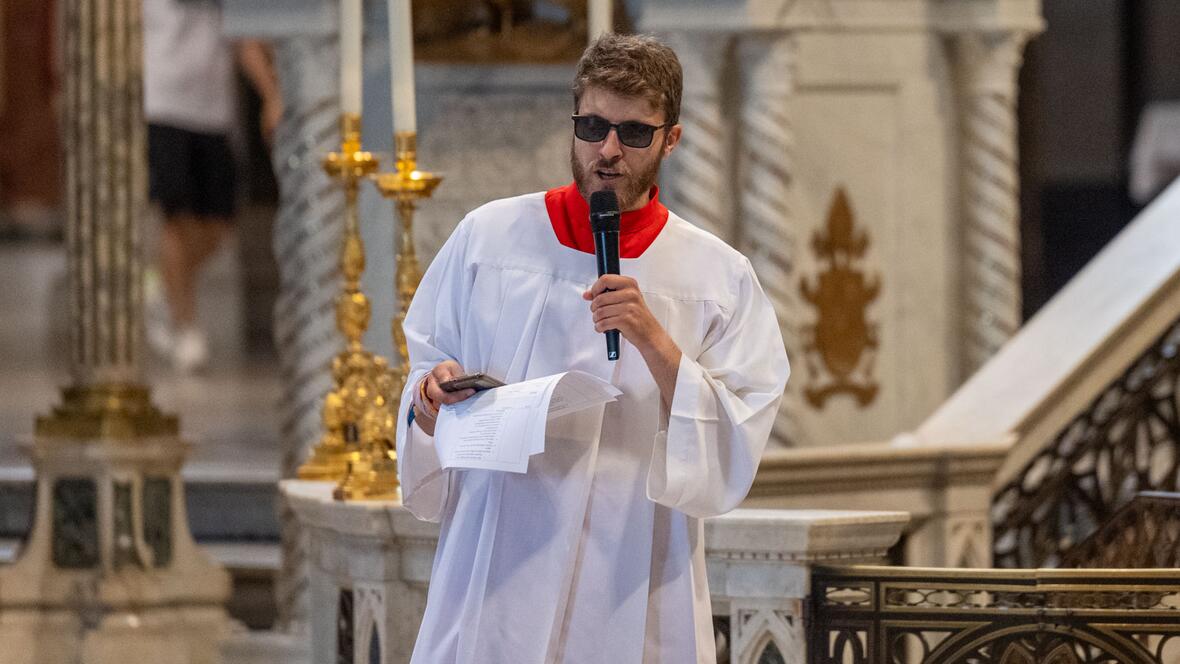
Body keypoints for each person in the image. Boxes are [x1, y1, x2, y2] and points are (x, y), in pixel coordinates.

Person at [395, 33, 790, 663]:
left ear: (672, 139)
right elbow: (424, 373)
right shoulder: (489, 239)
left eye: (633, 133)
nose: (608, 150)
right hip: (499, 549)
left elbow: (739, 429)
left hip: (631, 559)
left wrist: (654, 340)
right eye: (592, 126)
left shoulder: (716, 276)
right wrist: (429, 397)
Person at [142, 0, 282, 371]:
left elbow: (243, 36)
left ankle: (162, 286)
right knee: (177, 218)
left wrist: (270, 93)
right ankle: (185, 326)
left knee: (220, 227)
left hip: (213, 111)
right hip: (162, 104)